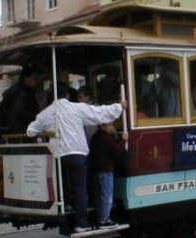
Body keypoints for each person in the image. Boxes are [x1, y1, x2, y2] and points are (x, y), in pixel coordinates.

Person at [26, 86, 127, 233]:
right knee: (80, 189)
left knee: (63, 183)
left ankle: (65, 205)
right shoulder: (76, 108)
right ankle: (82, 223)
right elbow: (99, 113)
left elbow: (30, 131)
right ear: (67, 95)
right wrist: (119, 106)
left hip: (59, 154)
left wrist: (45, 131)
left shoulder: (46, 113)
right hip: (78, 154)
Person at [89, 122, 128, 229]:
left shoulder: (95, 137)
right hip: (105, 171)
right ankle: (104, 220)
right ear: (102, 126)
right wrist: (124, 139)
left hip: (96, 170)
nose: (112, 127)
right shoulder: (105, 138)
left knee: (100, 196)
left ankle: (101, 218)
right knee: (107, 196)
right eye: (109, 125)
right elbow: (116, 151)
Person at [0, 63, 41, 135]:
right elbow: (27, 116)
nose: (38, 82)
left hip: (8, 136)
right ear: (26, 78)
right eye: (35, 78)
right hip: (22, 136)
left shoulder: (11, 92)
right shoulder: (25, 95)